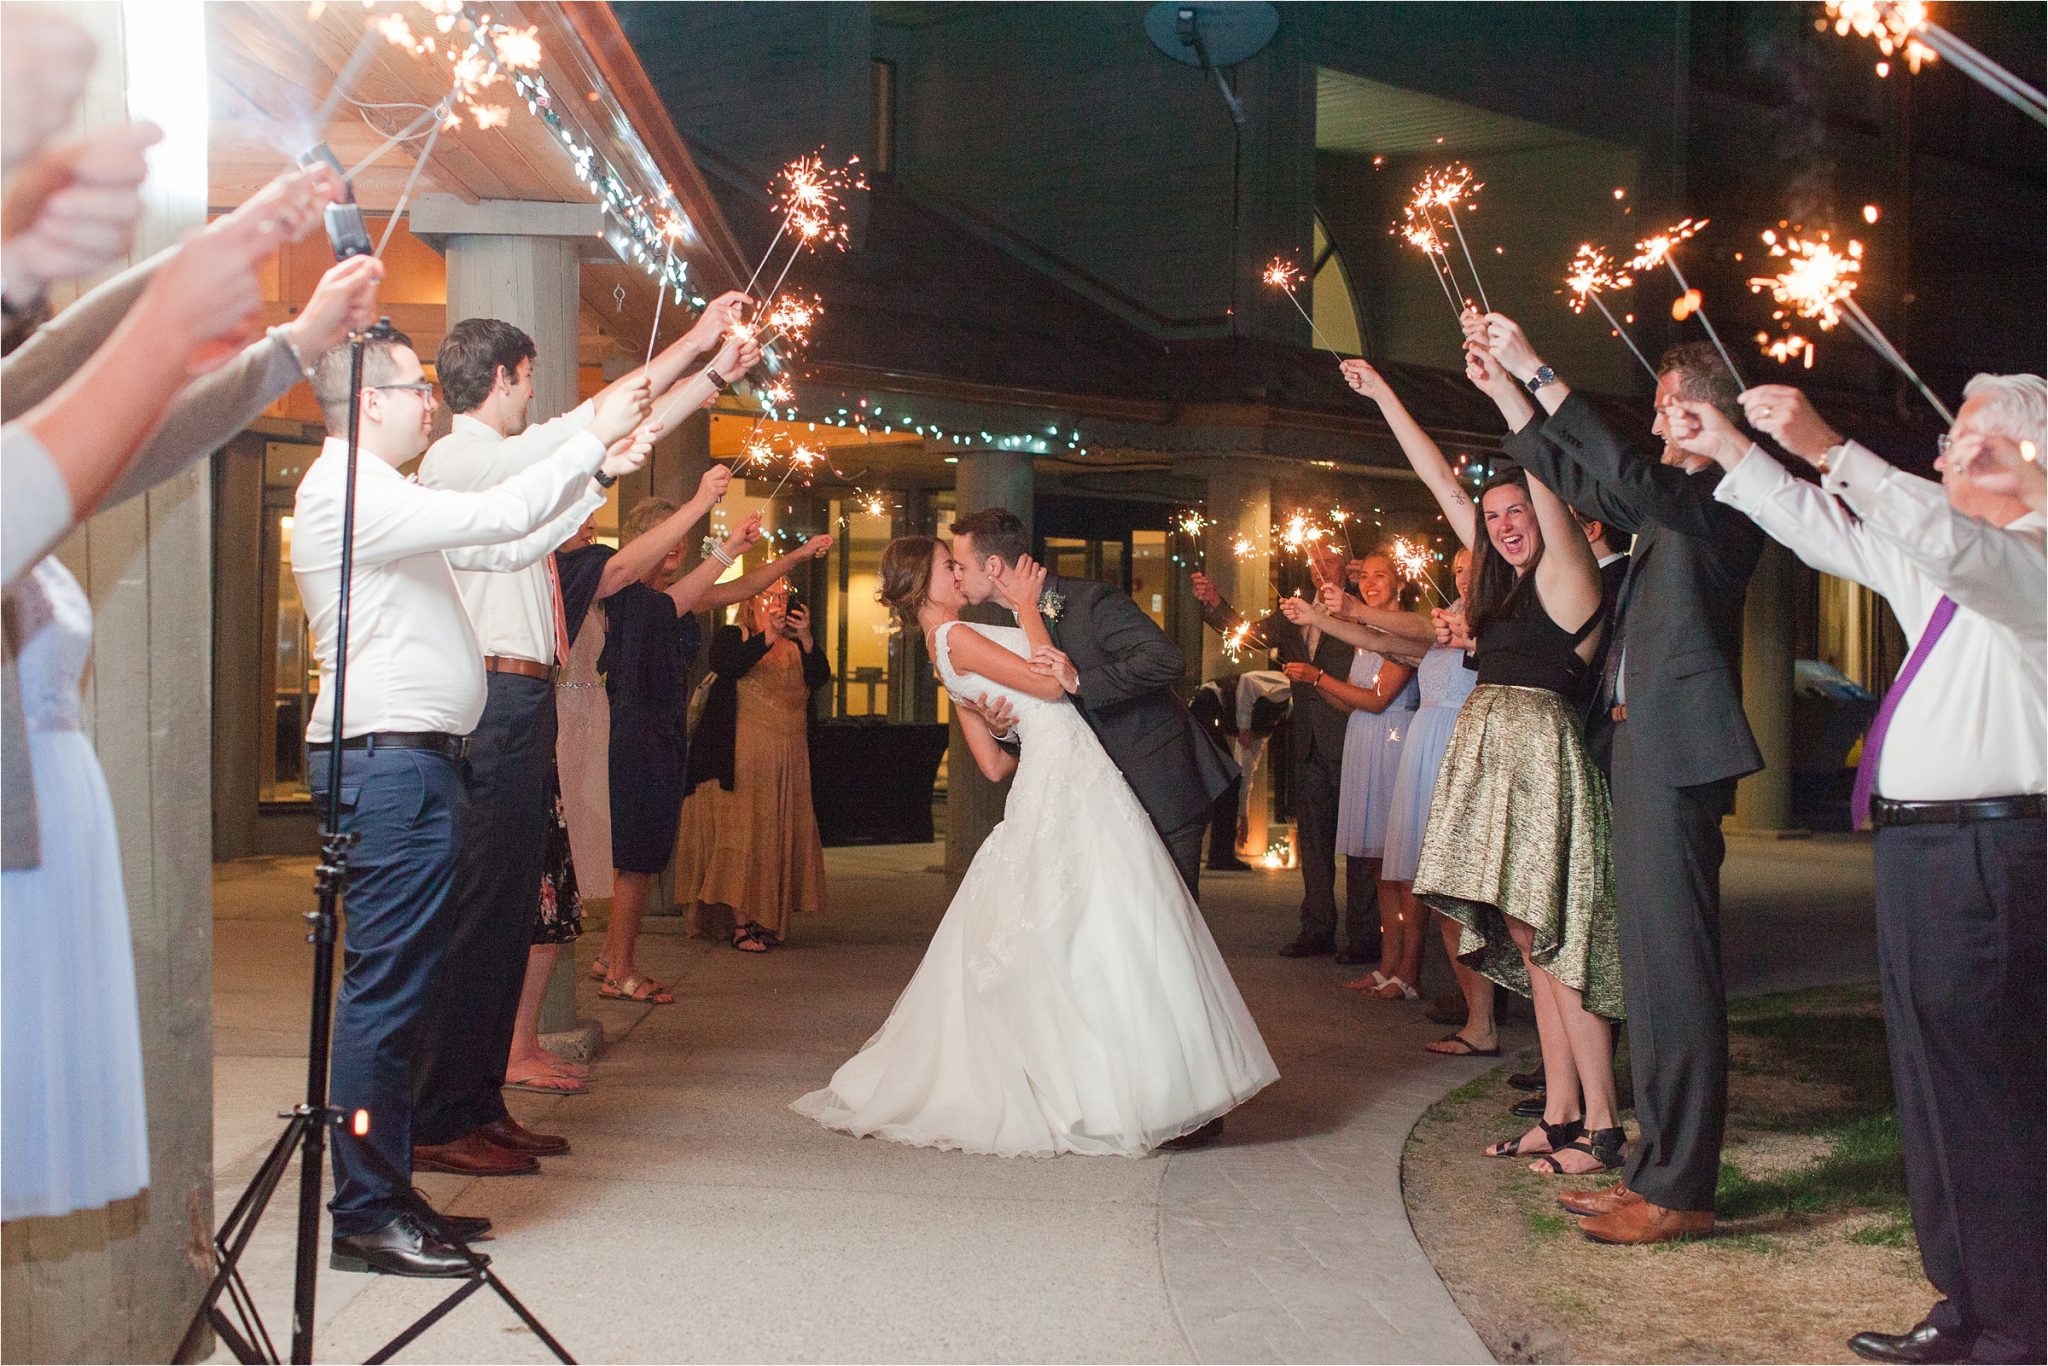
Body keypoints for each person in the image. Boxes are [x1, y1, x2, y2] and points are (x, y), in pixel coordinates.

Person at [1665, 379, 2044, 1366]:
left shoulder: (2027, 560)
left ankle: (2019, 1323)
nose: (1944, 459)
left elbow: (1962, 549)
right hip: (1923, 850)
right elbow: (1826, 533)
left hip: (1991, 851)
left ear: (2034, 463)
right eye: (1945, 441)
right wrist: (1735, 452)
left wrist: (1832, 446)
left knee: (1987, 1090)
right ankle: (1965, 1300)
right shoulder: (1958, 567)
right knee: (1927, 1086)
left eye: (1972, 447)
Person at [289, 328, 648, 1275]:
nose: (429, 404)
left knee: (408, 990)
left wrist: (595, 470)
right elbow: (507, 513)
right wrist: (586, 441)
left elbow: (513, 539)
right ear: (367, 401)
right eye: (412, 389)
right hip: (390, 761)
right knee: (389, 994)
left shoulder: (388, 491)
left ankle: (388, 1192)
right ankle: (367, 1210)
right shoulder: (349, 489)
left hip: (414, 760)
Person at [793, 538, 1277, 1155]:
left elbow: (994, 764)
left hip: (1064, 776)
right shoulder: (958, 639)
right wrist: (1026, 608)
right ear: (923, 584)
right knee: (1112, 924)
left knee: (1092, 928)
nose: (958, 573)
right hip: (1073, 782)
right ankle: (1125, 1089)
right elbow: (1051, 689)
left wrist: (1007, 724)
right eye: (948, 567)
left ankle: (1136, 1085)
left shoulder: (947, 647)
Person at [408, 302, 749, 1176]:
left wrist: (707, 380)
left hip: (523, 701)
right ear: (505, 377)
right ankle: (443, 1117)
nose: (537, 397)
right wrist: (700, 345)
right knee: (483, 917)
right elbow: (598, 421)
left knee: (508, 917)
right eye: (528, 380)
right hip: (493, 701)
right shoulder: (463, 458)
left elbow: (601, 435)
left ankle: (480, 1103)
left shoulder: (503, 473)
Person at [1468, 312, 1766, 1244]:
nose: (1656, 419)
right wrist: (1509, 396)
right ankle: (1652, 1173)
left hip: (1679, 759)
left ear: (1708, 417)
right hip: (1637, 752)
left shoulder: (1723, 496)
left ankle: (1680, 1189)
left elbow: (1626, 478)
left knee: (1678, 977)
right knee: (1650, 974)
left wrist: (1541, 369)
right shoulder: (1668, 502)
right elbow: (1588, 475)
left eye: (1671, 407)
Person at [1343, 353, 1626, 1179]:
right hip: (1492, 757)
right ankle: (1561, 1113)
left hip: (1540, 760)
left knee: (1556, 947)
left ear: (1548, 512)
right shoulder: (1497, 586)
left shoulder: (1570, 578)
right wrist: (1386, 395)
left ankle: (1603, 1125)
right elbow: (1438, 479)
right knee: (1530, 944)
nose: (1503, 524)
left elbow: (1537, 464)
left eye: (1517, 509)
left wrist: (1507, 382)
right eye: (1492, 514)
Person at [594, 501, 832, 1002]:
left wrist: (796, 556)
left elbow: (742, 587)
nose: (678, 543)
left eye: (681, 534)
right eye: (666, 534)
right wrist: (727, 545)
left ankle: (613, 955)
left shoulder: (675, 597)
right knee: (635, 854)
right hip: (631, 723)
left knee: (640, 855)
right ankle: (620, 968)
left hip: (661, 724)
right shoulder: (626, 593)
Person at [952, 508, 1238, 900]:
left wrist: (1080, 680)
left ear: (994, 566)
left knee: (1165, 926)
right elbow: (1053, 721)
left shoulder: (1088, 600)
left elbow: (1166, 660)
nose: (956, 577)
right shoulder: (1017, 626)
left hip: (1160, 785)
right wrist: (1004, 732)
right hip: (1100, 799)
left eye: (961, 566)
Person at [1192, 542, 1372, 960]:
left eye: (1328, 561)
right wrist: (1216, 604)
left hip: (1352, 731)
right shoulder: (1293, 609)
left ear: (1347, 566)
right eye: (1314, 563)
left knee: (1361, 843)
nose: (1319, 569)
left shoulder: (1361, 607)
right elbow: (1250, 634)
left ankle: (1364, 936)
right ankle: (1318, 929)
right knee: (1312, 839)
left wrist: (1364, 592)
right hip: (1307, 737)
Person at [1277, 553, 1423, 998]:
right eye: (1369, 576)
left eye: (1382, 576)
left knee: (1402, 869)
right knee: (1380, 866)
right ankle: (1387, 964)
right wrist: (1317, 684)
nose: (1373, 582)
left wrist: (1319, 676)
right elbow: (1354, 701)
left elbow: (1379, 700)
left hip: (1393, 742)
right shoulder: (1367, 636)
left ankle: (1409, 971)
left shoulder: (1404, 628)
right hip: (1364, 740)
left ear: (1400, 583)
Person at [674, 580, 831, 951]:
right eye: (769, 597)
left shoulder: (796, 645)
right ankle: (741, 923)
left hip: (788, 754)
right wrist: (767, 636)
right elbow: (727, 664)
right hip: (741, 755)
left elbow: (819, 676)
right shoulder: (735, 635)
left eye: (782, 597)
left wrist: (806, 636)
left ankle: (764, 919)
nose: (777, 603)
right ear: (751, 602)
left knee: (772, 833)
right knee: (743, 832)